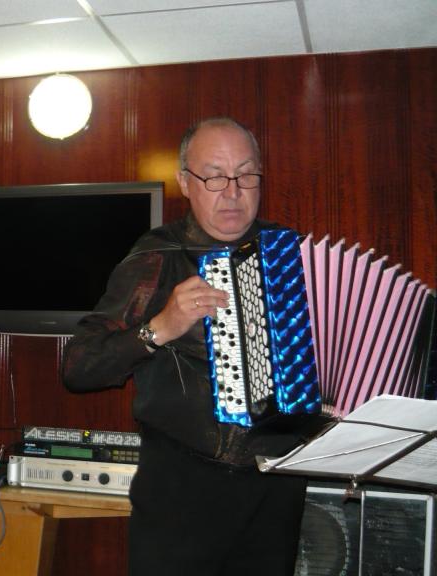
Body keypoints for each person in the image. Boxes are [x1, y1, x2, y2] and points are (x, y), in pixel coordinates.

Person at [62, 117, 324, 576]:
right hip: (182, 490)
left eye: (246, 175)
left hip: (276, 489)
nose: (233, 192)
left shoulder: (290, 256)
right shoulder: (157, 256)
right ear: (185, 182)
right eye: (215, 176)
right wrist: (160, 327)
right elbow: (79, 366)